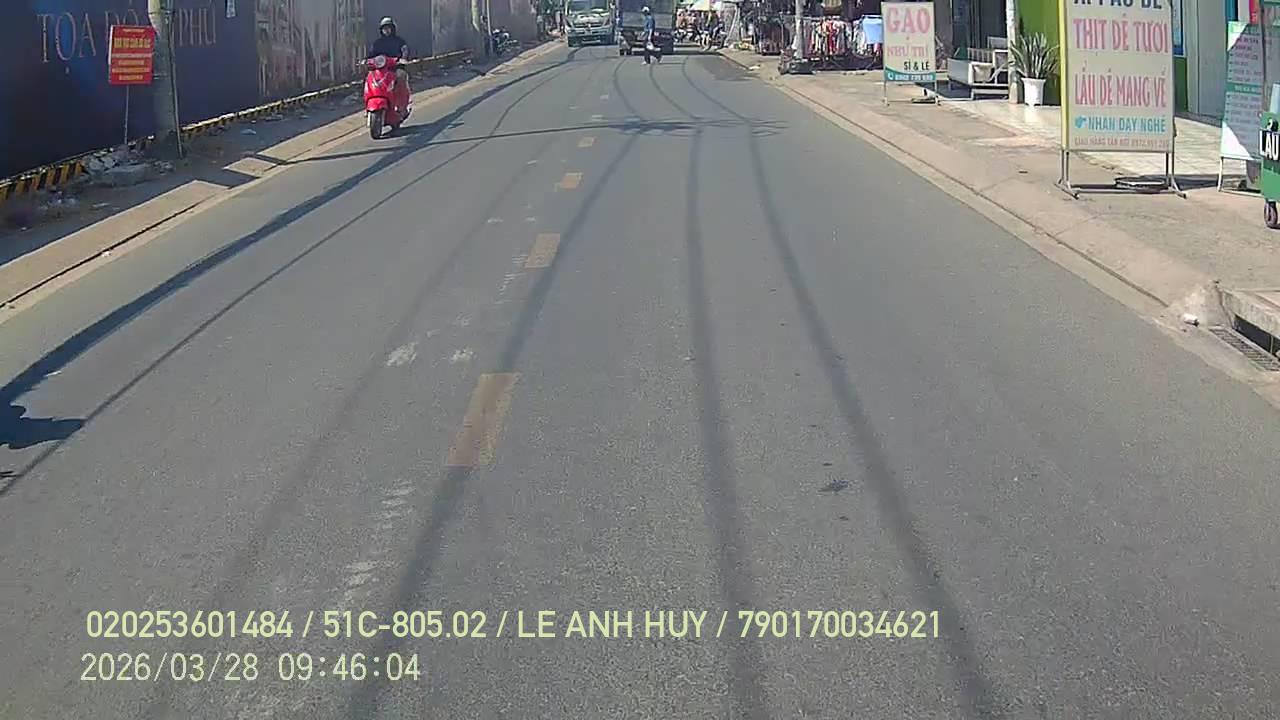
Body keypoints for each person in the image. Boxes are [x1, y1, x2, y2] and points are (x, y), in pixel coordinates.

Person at [367, 17, 411, 113]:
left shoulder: (399, 41)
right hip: (380, 70)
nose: (386, 30)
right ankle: (369, 102)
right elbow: (371, 55)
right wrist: (366, 61)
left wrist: (403, 59)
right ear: (381, 30)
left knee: (401, 77)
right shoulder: (377, 43)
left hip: (395, 68)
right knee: (370, 78)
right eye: (384, 28)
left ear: (392, 29)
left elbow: (405, 50)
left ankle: (402, 106)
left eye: (388, 28)